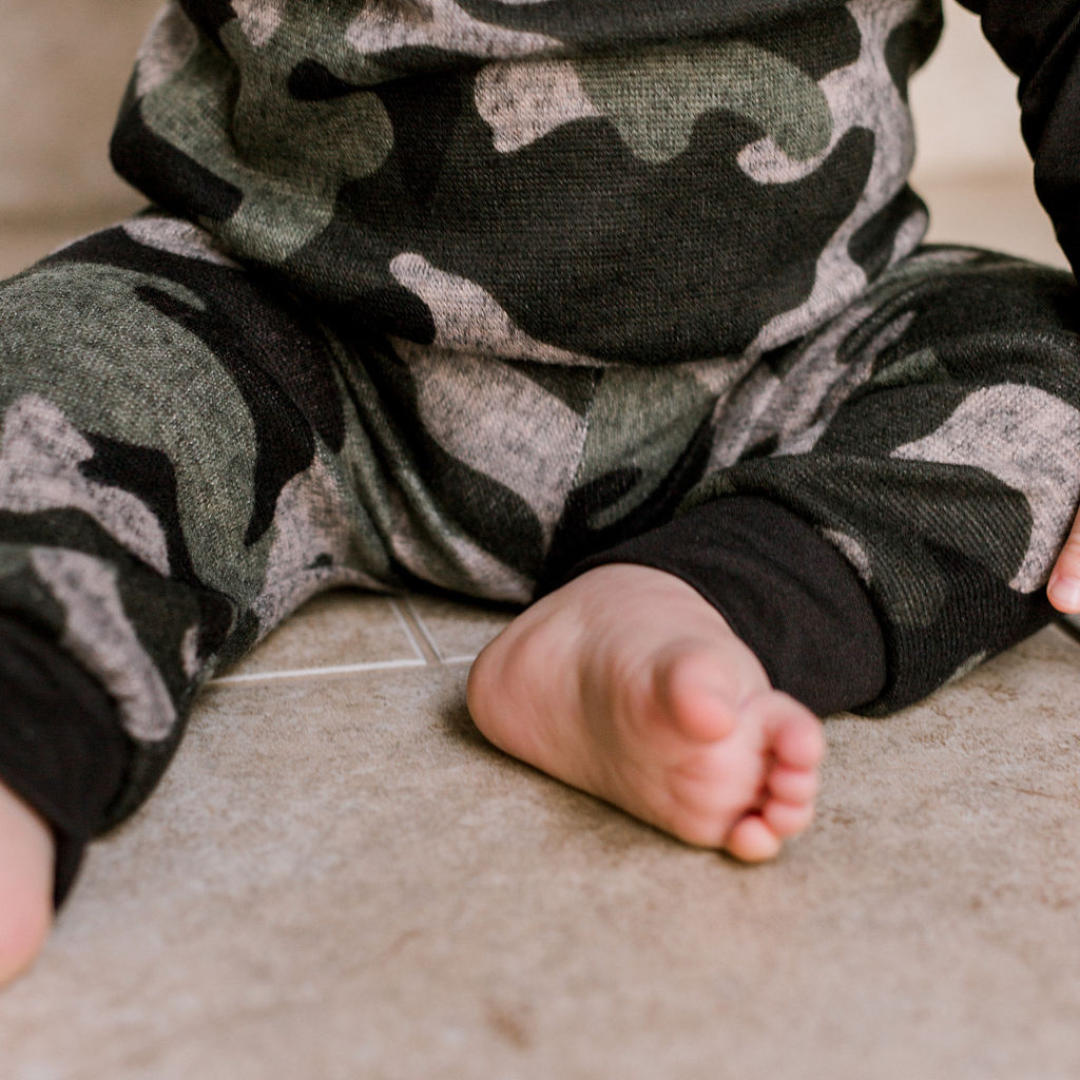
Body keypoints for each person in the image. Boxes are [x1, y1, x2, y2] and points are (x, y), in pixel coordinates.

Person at [0, 0, 1079, 987]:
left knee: (1050, 372)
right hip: (279, 317)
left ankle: (691, 601)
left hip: (785, 356)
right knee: (52, 371)